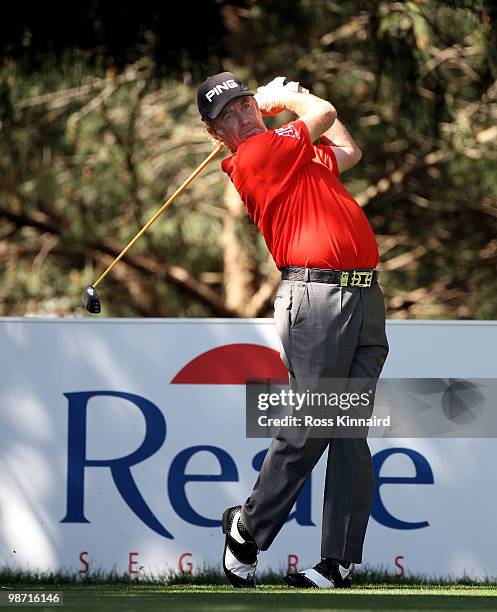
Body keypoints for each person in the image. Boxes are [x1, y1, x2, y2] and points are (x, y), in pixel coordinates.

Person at [196, 72, 389, 589]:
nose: (242, 116)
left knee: (350, 431)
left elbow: (346, 149)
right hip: (316, 297)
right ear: (217, 135)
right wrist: (289, 98)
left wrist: (286, 108)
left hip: (363, 293)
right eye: (228, 116)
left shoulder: (294, 157)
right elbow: (322, 113)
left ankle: (337, 562)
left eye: (244, 104)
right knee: (312, 423)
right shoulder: (254, 158)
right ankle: (248, 527)